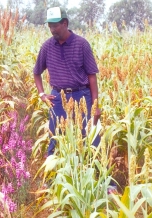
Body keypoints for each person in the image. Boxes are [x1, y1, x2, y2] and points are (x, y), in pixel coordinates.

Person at [33, 6, 101, 156]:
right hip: (57, 98)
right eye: (50, 26)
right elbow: (36, 72)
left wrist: (95, 106)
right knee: (56, 138)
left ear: (65, 23)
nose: (52, 30)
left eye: (55, 25)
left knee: (91, 138)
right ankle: (54, 177)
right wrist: (42, 94)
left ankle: (98, 176)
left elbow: (92, 76)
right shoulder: (47, 47)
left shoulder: (81, 44)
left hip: (82, 96)